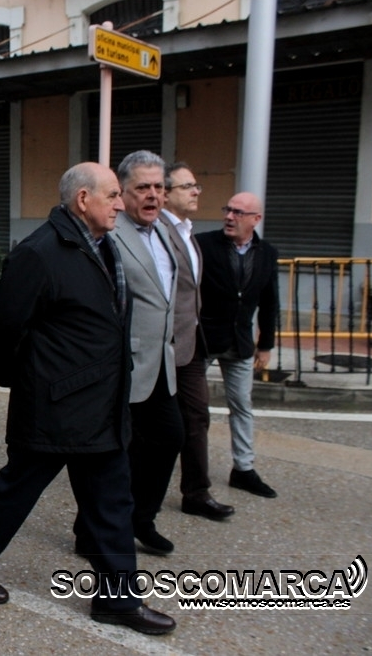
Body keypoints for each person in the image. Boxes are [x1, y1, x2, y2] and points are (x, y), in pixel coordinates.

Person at [0, 162, 176, 635]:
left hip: (102, 403)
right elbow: (5, 329)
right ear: (82, 200)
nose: (120, 204)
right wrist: (26, 382)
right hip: (55, 404)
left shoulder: (103, 245)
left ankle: (118, 600)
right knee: (19, 489)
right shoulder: (41, 253)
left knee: (112, 501)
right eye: (112, 196)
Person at [106, 150, 184, 556]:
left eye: (158, 187)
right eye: (143, 188)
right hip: (126, 365)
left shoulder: (166, 230)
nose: (153, 195)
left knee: (170, 437)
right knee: (115, 457)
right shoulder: (111, 233)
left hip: (162, 364)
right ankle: (96, 530)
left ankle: (141, 519)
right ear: (124, 191)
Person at [161, 164, 234, 521]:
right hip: (162, 344)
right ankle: (133, 494)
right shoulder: (157, 231)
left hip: (191, 343)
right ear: (166, 191)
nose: (196, 192)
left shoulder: (189, 233)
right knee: (154, 424)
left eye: (196, 185)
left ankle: (197, 492)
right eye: (187, 186)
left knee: (196, 415)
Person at [196, 192, 279, 499]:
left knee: (242, 405)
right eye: (228, 209)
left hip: (240, 342)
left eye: (238, 212)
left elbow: (270, 303)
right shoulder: (203, 244)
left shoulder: (267, 253)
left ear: (255, 219)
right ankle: (189, 467)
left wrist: (266, 345)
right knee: (191, 408)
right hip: (203, 339)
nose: (229, 216)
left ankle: (243, 469)